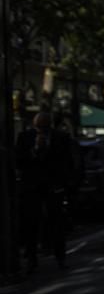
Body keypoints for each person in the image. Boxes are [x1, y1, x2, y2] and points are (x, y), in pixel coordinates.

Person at [14, 111, 75, 271]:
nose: (42, 130)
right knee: (31, 223)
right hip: (32, 187)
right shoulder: (25, 137)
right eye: (39, 127)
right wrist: (34, 150)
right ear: (35, 126)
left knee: (56, 223)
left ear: (50, 126)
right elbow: (19, 162)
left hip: (53, 186)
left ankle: (60, 258)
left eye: (45, 127)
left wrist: (64, 184)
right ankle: (32, 259)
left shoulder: (61, 137)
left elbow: (68, 161)